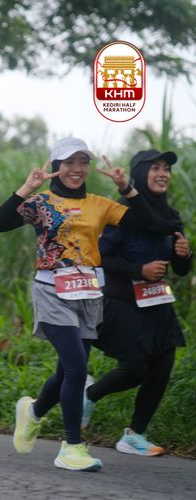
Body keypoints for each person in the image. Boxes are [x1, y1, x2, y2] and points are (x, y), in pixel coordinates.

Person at [0, 137, 179, 472]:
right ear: (56, 167)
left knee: (66, 371)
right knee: (78, 368)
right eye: (69, 163)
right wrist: (27, 188)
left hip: (89, 295)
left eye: (83, 162)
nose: (77, 169)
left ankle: (33, 411)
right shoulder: (42, 202)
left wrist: (127, 189)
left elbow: (157, 225)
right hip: (52, 292)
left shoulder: (100, 204)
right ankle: (72, 447)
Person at [84, 150, 192, 456]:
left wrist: (184, 255)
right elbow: (100, 257)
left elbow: (181, 269)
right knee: (134, 369)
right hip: (122, 302)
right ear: (140, 173)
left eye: (166, 168)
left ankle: (135, 435)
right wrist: (139, 270)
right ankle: (89, 395)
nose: (163, 174)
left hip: (158, 302)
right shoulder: (121, 212)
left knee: (162, 368)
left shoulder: (170, 217)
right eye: (155, 168)